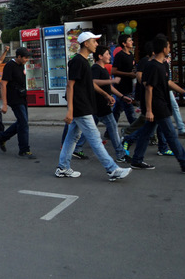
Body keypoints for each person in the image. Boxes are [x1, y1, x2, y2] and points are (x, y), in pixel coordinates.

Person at [55, 31, 132, 181]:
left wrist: (106, 95)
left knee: (72, 137)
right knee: (95, 138)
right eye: (94, 41)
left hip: (83, 105)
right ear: (86, 43)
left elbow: (89, 83)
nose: (96, 44)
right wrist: (70, 110)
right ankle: (112, 169)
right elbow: (70, 86)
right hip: (80, 107)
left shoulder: (85, 61)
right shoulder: (78, 61)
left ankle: (63, 167)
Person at [130, 36, 185, 173]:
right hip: (157, 105)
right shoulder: (152, 66)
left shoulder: (163, 64)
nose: (170, 49)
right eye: (169, 47)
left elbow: (168, 83)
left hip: (161, 103)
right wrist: (148, 110)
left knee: (146, 133)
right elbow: (148, 88)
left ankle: (136, 159)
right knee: (171, 135)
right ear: (164, 48)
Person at [0, 47, 35, 159]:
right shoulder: (9, 66)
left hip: (22, 97)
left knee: (22, 122)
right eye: (25, 58)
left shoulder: (21, 65)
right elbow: (3, 84)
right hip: (14, 99)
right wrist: (5, 103)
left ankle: (2, 137)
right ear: (18, 57)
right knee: (24, 123)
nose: (27, 60)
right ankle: (24, 149)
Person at [112, 34, 138, 124]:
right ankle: (135, 132)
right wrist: (128, 74)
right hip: (121, 86)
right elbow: (114, 71)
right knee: (130, 111)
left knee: (117, 110)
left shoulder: (130, 54)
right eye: (129, 41)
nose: (132, 42)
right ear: (124, 43)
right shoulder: (120, 55)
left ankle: (110, 130)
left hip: (129, 85)